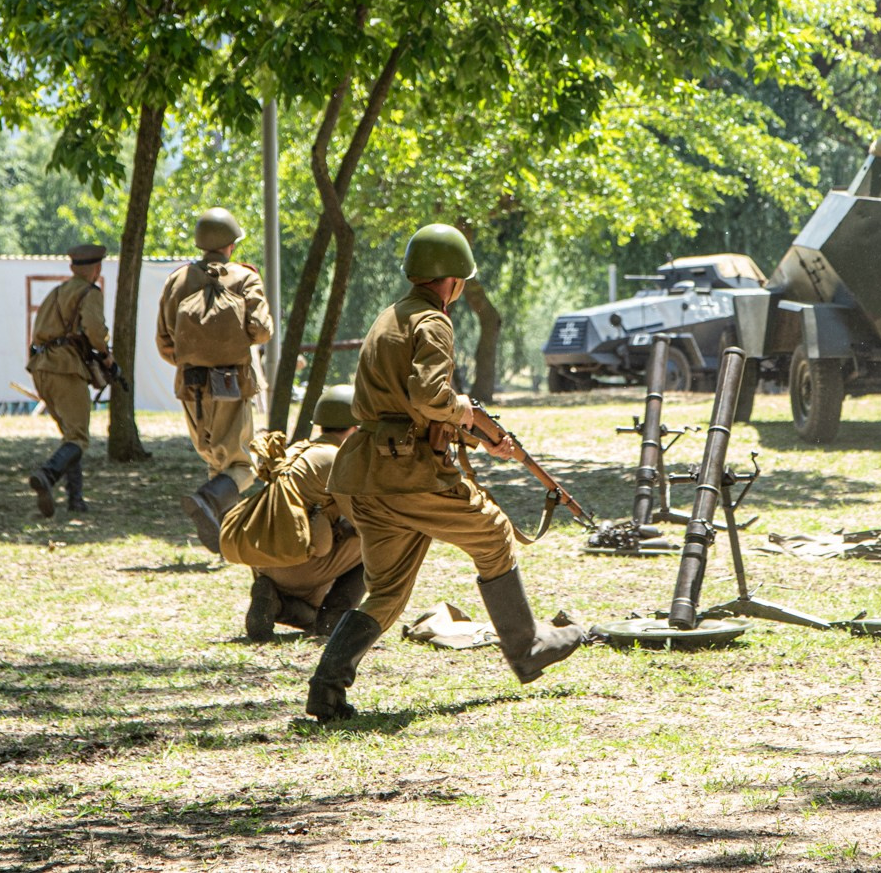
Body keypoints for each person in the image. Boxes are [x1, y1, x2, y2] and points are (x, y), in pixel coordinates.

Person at [305, 224, 587, 723]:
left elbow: (402, 407)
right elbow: (430, 397)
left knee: (388, 592)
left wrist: (477, 435)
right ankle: (528, 648)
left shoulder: (389, 317)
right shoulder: (433, 322)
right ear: (453, 280)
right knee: (494, 533)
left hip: (367, 475)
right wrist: (465, 410)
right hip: (409, 476)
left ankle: (326, 687)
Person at [157, 208, 273, 551]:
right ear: (231, 244)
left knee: (215, 461)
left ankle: (225, 536)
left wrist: (194, 362)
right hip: (232, 383)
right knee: (243, 466)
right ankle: (207, 500)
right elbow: (262, 331)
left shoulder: (177, 280)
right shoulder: (245, 278)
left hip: (190, 383)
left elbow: (164, 341)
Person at [241, 384, 365, 641]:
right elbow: (364, 520)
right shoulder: (336, 459)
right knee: (380, 544)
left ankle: (275, 602)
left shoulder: (295, 452)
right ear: (355, 430)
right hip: (297, 564)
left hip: (263, 562)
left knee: (310, 612)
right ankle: (333, 619)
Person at [25, 243, 116, 517]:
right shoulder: (90, 293)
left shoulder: (56, 292)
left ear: (72, 267)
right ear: (97, 269)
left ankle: (75, 499)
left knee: (70, 436)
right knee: (77, 437)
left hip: (41, 368)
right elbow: (95, 332)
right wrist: (106, 357)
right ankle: (47, 475)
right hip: (65, 369)